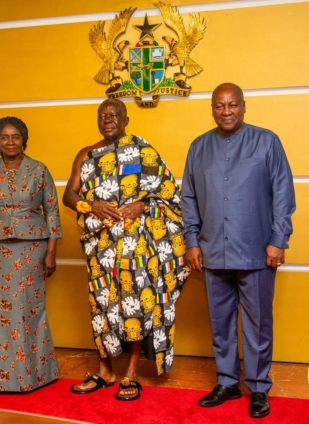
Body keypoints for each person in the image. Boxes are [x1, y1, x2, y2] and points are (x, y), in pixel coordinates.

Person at [181, 82, 296, 418]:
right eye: (220, 106)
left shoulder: (267, 142)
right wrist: (192, 241)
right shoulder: (198, 147)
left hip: (257, 251)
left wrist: (278, 240)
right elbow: (188, 197)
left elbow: (283, 193)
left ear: (244, 107)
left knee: (258, 324)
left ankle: (258, 387)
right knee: (220, 323)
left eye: (233, 105)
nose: (226, 111)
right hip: (212, 250)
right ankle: (228, 382)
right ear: (212, 110)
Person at [63, 98, 189, 401]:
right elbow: (68, 195)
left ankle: (131, 372)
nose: (108, 120)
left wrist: (142, 205)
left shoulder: (145, 152)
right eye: (102, 115)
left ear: (126, 120)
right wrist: (91, 205)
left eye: (114, 115)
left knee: (134, 305)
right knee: (101, 304)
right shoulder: (86, 154)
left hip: (136, 245)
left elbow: (171, 195)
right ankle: (105, 370)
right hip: (101, 246)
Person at [0, 116, 62, 392]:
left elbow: (52, 212)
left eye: (15, 136)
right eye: (4, 137)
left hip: (31, 250)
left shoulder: (39, 170)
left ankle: (34, 375)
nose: (10, 142)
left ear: (24, 140)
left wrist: (51, 252)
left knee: (28, 310)